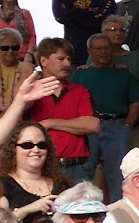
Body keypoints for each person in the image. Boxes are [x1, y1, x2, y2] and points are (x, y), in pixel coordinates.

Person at [72, 35, 139, 202]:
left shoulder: (124, 74)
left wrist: (127, 124)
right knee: (84, 172)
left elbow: (134, 102)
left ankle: (118, 214)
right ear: (90, 51)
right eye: (98, 48)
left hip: (117, 126)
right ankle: (81, 210)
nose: (103, 51)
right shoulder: (80, 75)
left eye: (106, 47)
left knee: (118, 174)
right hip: (88, 129)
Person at [25, 38, 98, 182]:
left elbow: (93, 125)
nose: (67, 64)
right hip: (41, 168)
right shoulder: (30, 90)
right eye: (61, 59)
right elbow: (17, 112)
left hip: (76, 167)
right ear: (43, 61)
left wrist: (50, 123)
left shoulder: (79, 90)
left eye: (69, 59)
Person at [50, 0, 115, 66]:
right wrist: (90, 12)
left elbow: (106, 14)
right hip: (74, 51)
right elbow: (59, 16)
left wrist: (74, 15)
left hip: (102, 53)